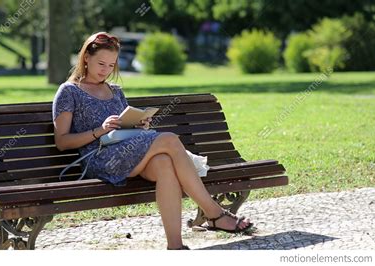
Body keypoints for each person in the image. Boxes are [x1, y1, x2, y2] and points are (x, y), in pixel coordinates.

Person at [52, 32, 253, 250]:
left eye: (111, 65)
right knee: (169, 139)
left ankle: (175, 246)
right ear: (86, 58)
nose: (105, 70)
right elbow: (62, 142)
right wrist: (99, 130)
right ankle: (214, 213)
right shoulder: (69, 91)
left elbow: (122, 127)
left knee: (165, 163)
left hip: (128, 152)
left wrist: (138, 125)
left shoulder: (115, 91)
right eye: (101, 63)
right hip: (100, 159)